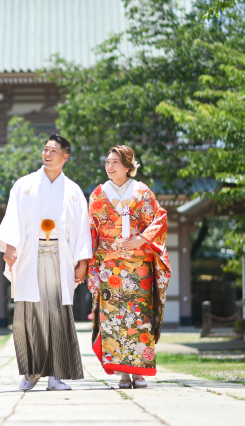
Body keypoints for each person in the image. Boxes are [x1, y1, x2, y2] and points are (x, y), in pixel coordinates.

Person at [0, 134, 92, 392]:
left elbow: (82, 228)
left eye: (53, 151)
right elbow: (12, 217)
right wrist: (10, 247)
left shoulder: (72, 190)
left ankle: (56, 375)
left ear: (65, 157)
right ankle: (30, 371)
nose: (47, 154)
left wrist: (82, 260)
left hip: (61, 255)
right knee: (28, 314)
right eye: (45, 149)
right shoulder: (24, 185)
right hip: (30, 254)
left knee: (58, 314)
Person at [87, 145, 171, 389]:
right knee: (112, 318)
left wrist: (142, 239)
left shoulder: (142, 192)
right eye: (108, 162)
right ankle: (123, 372)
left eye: (115, 162)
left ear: (128, 166)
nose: (110, 166)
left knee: (138, 317)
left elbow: (159, 218)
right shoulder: (98, 193)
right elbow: (91, 231)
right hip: (109, 267)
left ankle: (140, 371)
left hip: (138, 267)